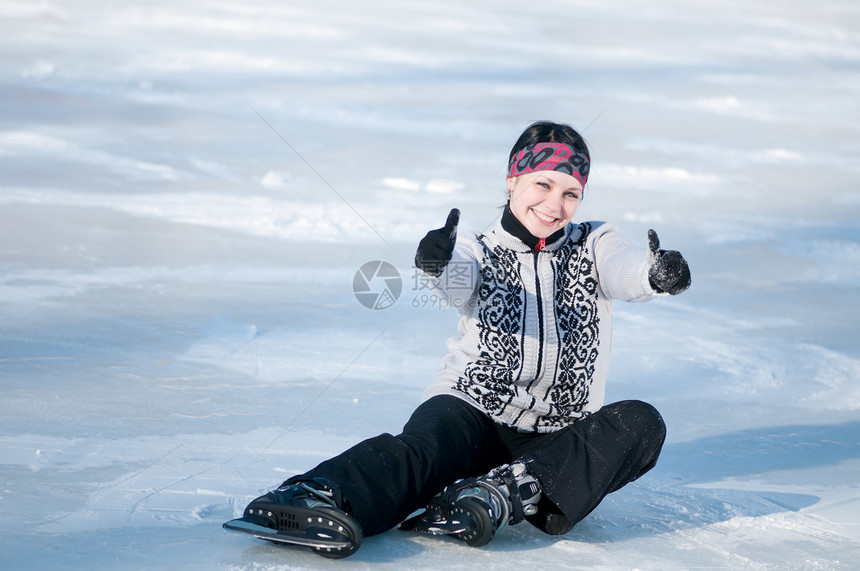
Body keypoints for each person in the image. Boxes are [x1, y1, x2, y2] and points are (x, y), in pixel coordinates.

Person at [227, 120, 691, 558]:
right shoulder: (477, 246)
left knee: (641, 423)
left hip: (553, 437)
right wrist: (438, 263)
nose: (555, 204)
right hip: (471, 410)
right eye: (543, 185)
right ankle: (315, 496)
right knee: (423, 452)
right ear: (513, 181)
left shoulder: (594, 242)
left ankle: (498, 495)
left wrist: (654, 274)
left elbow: (626, 268)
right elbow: (459, 279)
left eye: (571, 193)